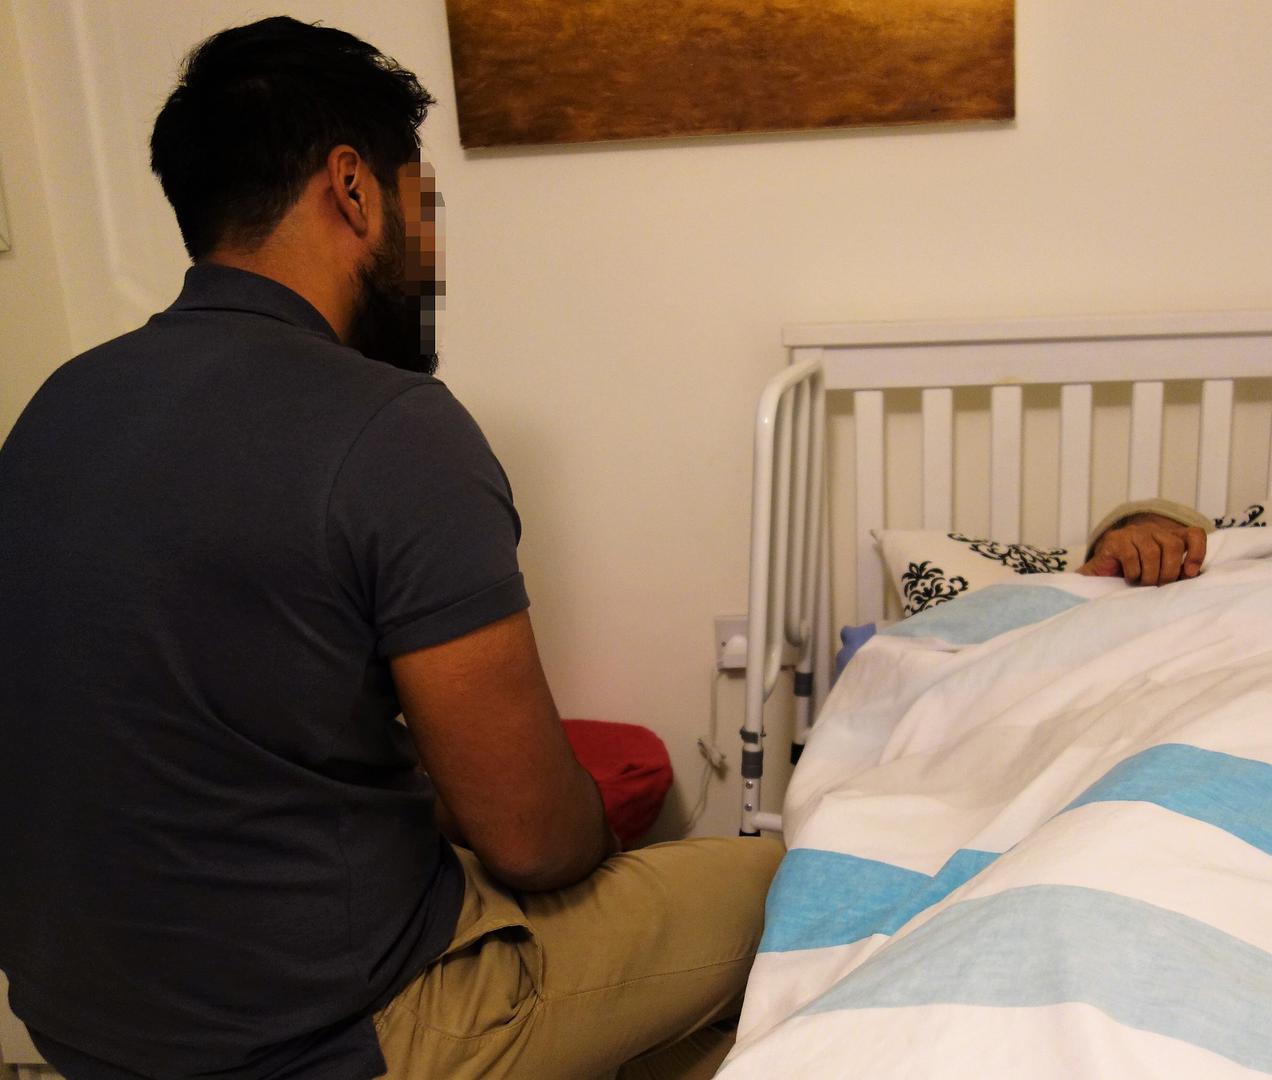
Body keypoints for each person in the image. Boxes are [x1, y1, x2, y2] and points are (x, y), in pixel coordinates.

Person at [0, 17, 780, 1079]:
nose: (432, 245)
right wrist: (591, 817)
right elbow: (530, 839)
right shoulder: (394, 427)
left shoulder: (57, 406)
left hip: (77, 1025)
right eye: (426, 205)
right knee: (781, 882)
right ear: (355, 189)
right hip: (327, 1041)